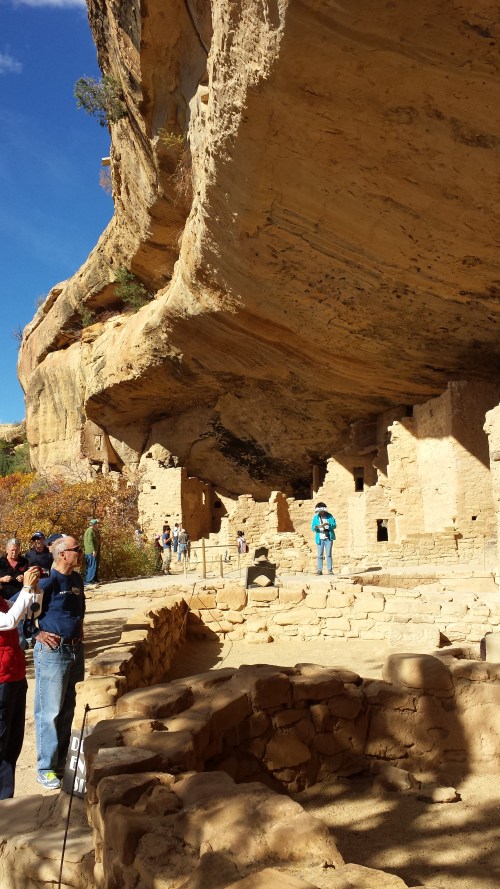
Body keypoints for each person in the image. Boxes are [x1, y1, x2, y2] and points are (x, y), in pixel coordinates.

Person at [33, 535, 85, 790]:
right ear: (63, 554)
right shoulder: (48, 581)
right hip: (53, 653)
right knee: (50, 711)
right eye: (77, 549)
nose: (81, 552)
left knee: (68, 708)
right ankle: (45, 767)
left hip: (75, 650)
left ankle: (61, 762)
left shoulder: (76, 579)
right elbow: (27, 613)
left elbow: (79, 609)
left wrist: (80, 631)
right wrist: (36, 634)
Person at [0, 565, 40, 799]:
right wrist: (25, 587)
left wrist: (35, 590)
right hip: (2, 680)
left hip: (14, 676)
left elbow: (32, 613)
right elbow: (9, 622)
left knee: (12, 745)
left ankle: (6, 801)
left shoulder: (3, 601)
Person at [0, 538, 30, 650]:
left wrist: (24, 577)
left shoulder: (24, 562)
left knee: (19, 626)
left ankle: (20, 650)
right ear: (6, 550)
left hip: (20, 597)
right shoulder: (1, 562)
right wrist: (2, 579)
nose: (14, 552)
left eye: (16, 550)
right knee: (8, 626)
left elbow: (29, 577)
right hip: (4, 598)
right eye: (12, 550)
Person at [311, 502, 336, 576]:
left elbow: (334, 525)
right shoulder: (316, 517)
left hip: (328, 537)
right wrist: (316, 527)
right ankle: (319, 570)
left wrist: (329, 525)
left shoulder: (330, 516)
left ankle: (330, 570)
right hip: (320, 538)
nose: (320, 513)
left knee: (328, 554)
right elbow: (313, 527)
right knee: (320, 555)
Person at [83, 518, 100, 585]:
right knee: (92, 565)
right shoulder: (90, 531)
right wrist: (93, 550)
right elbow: (90, 541)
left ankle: (89, 579)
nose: (97, 525)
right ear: (94, 525)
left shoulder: (89, 530)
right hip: (90, 551)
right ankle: (88, 580)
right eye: (97, 524)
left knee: (89, 565)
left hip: (88, 551)